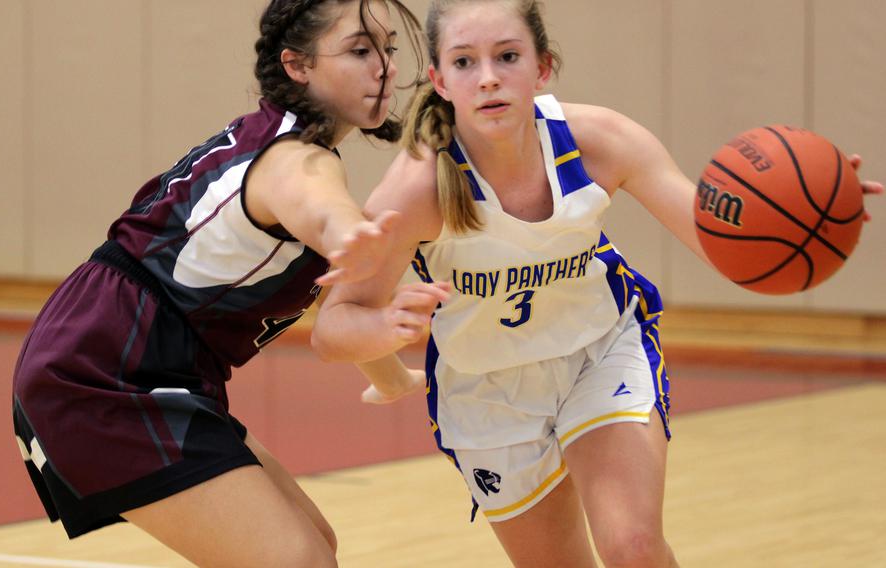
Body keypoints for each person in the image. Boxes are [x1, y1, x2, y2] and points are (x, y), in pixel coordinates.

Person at [311, 1, 884, 566]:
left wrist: (808, 217)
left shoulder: (601, 139)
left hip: (599, 350)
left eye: (507, 56)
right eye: (464, 63)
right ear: (439, 79)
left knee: (633, 549)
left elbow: (720, 244)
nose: (487, 78)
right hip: (486, 389)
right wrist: (386, 327)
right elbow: (332, 329)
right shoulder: (418, 186)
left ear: (542, 67)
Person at [11, 1, 425, 566]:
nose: (384, 67)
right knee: (297, 561)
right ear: (297, 65)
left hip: (154, 361)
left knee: (315, 546)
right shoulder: (295, 160)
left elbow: (343, 273)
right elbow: (323, 210)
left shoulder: (283, 140)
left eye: (388, 49)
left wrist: (393, 376)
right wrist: (351, 232)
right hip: (104, 365)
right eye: (359, 49)